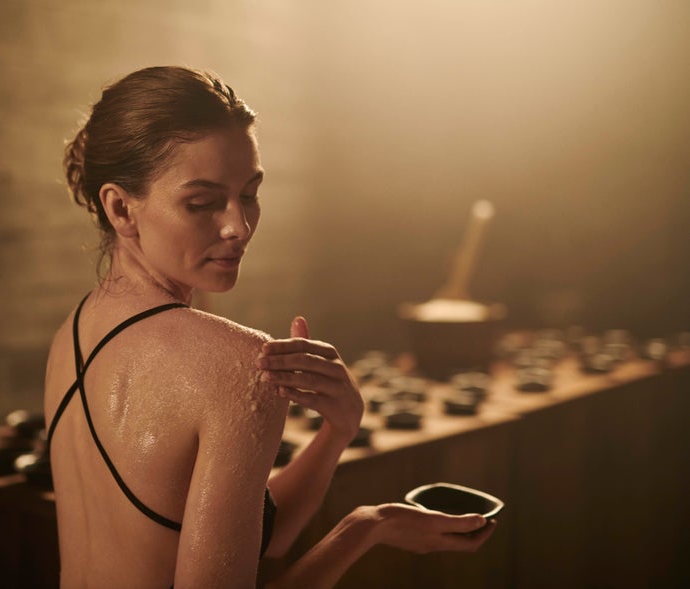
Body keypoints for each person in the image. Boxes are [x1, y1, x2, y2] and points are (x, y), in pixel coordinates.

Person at [43, 65, 496, 589]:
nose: (238, 226)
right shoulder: (235, 364)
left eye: (249, 193)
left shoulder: (69, 336)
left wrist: (336, 431)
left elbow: (252, 535)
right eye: (203, 202)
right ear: (121, 208)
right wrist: (365, 529)